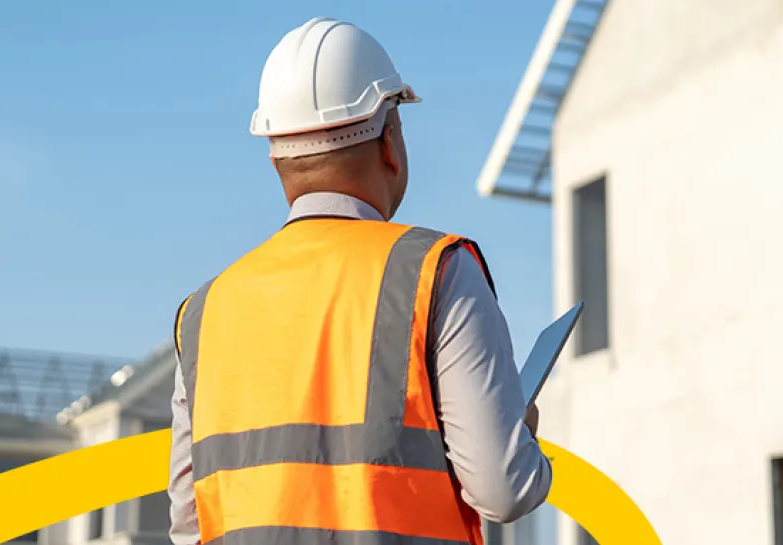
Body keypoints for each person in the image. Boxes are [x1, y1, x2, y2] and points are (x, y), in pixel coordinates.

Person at [167, 17, 552, 545]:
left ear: (275, 155)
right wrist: (519, 438)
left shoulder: (203, 313)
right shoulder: (436, 272)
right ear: (389, 141)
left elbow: (191, 527)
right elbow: (505, 490)